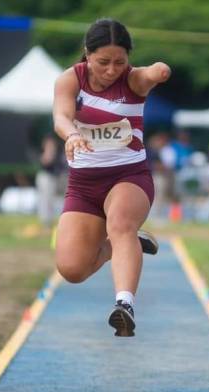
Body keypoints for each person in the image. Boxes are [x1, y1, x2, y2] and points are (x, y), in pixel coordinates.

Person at [52, 18, 170, 337]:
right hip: (84, 185)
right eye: (103, 62)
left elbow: (149, 74)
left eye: (120, 61)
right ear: (87, 54)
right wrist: (72, 135)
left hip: (129, 176)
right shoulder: (70, 80)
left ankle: (124, 305)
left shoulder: (132, 81)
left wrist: (157, 70)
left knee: (120, 224)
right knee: (72, 269)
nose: (111, 70)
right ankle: (125, 243)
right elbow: (61, 116)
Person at [35, 135, 63, 228]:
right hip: (46, 177)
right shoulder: (44, 151)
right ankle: (46, 223)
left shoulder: (59, 152)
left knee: (60, 199)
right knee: (46, 200)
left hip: (58, 177)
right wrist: (49, 151)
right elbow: (45, 162)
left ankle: (60, 221)